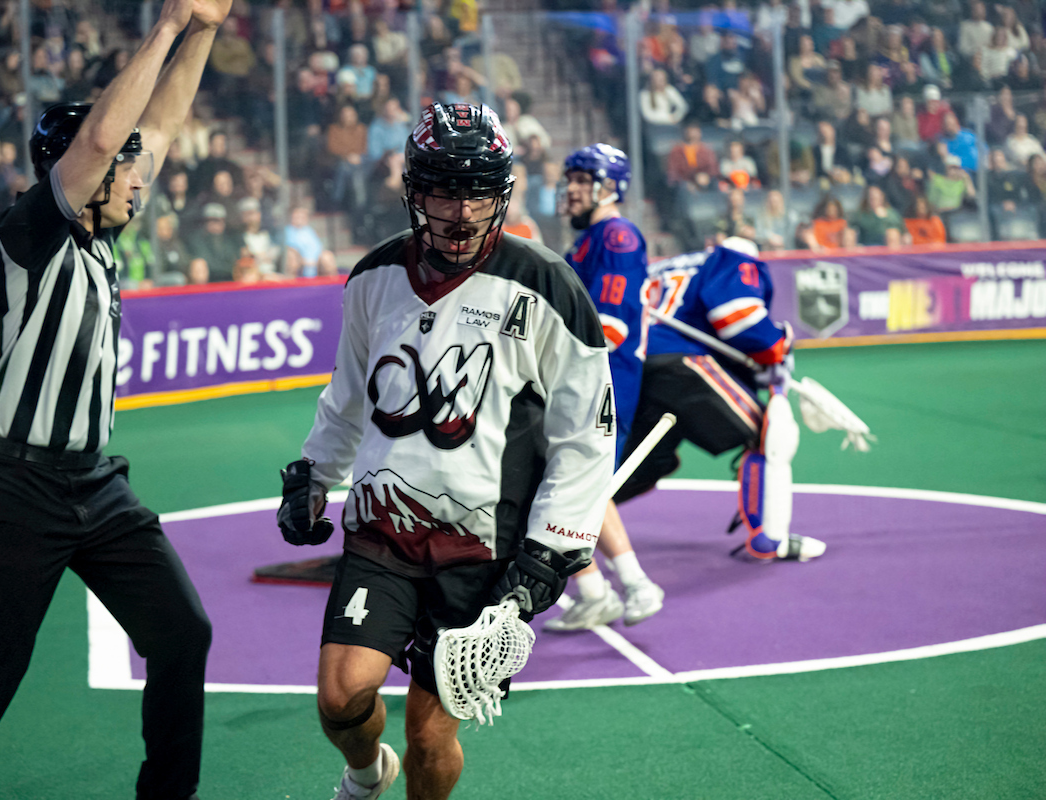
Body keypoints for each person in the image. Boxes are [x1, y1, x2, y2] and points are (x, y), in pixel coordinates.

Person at [0, 0, 230, 796]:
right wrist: (168, 25)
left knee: (182, 633)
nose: (140, 178)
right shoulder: (30, 231)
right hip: (11, 487)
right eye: (125, 169)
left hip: (94, 483)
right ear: (77, 175)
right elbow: (104, 141)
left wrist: (207, 28)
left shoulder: (102, 238)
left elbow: (160, 128)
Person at [276, 102, 614, 800]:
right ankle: (367, 773)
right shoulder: (372, 277)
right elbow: (348, 393)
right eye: (443, 191)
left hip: (486, 548)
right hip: (383, 528)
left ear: (503, 193)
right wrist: (314, 472)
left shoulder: (546, 283)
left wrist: (553, 548)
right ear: (413, 190)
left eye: (479, 193)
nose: (461, 212)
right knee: (340, 698)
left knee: (431, 737)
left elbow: (586, 435)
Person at [615, 236, 827, 563]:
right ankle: (769, 540)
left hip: (633, 366)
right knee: (768, 434)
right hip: (682, 362)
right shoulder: (731, 259)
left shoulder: (659, 267)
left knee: (642, 463)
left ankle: (565, 522)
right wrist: (778, 345)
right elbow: (738, 316)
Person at [545, 143, 664, 631]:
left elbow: (606, 326)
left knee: (566, 485)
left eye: (582, 180)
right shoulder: (592, 239)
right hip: (586, 381)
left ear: (610, 187)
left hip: (600, 385)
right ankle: (608, 589)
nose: (571, 189)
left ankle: (622, 587)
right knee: (572, 485)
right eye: (570, 179)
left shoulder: (616, 236)